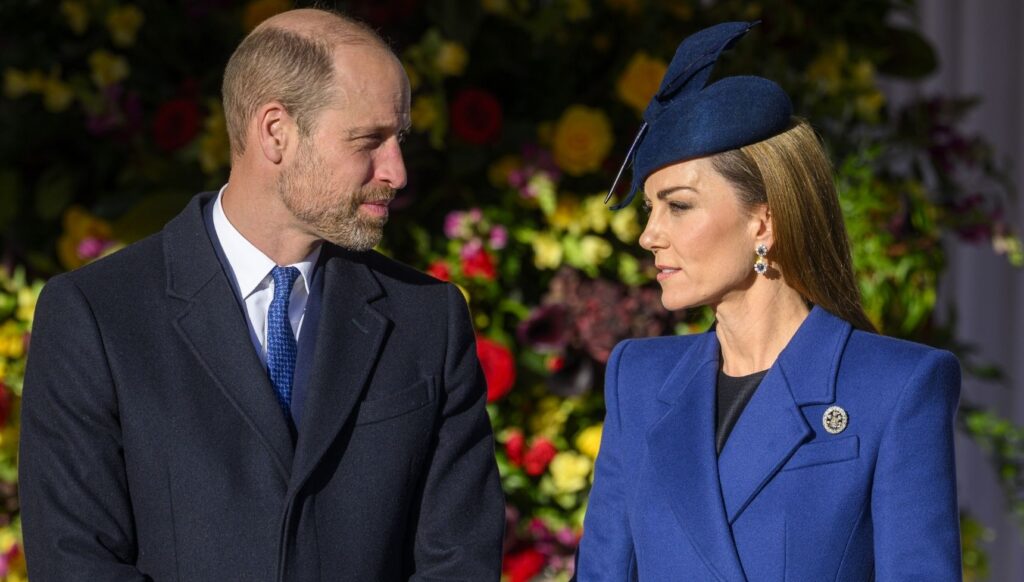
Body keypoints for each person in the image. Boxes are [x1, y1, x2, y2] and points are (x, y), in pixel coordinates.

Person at [19, 8, 504, 581]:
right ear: (276, 132)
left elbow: (460, 561)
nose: (396, 170)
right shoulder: (97, 316)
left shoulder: (428, 319)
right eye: (368, 140)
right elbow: (77, 563)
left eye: (398, 139)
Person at [576, 22, 961, 581]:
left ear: (764, 220)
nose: (648, 235)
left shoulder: (897, 386)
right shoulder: (637, 378)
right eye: (649, 210)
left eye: (678, 206)